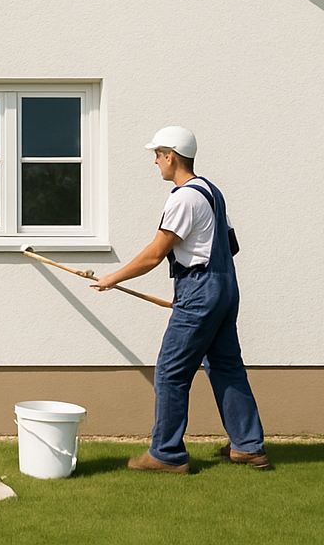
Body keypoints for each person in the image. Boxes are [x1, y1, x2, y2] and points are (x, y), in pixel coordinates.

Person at [92, 125, 271, 473]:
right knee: (226, 366)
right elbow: (226, 247)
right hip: (223, 287)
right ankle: (248, 447)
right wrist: (198, 293)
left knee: (170, 372)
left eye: (157, 156)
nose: (156, 162)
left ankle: (166, 454)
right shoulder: (211, 192)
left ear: (170, 156)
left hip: (202, 291)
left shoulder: (183, 197)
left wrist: (112, 278)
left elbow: (155, 253)